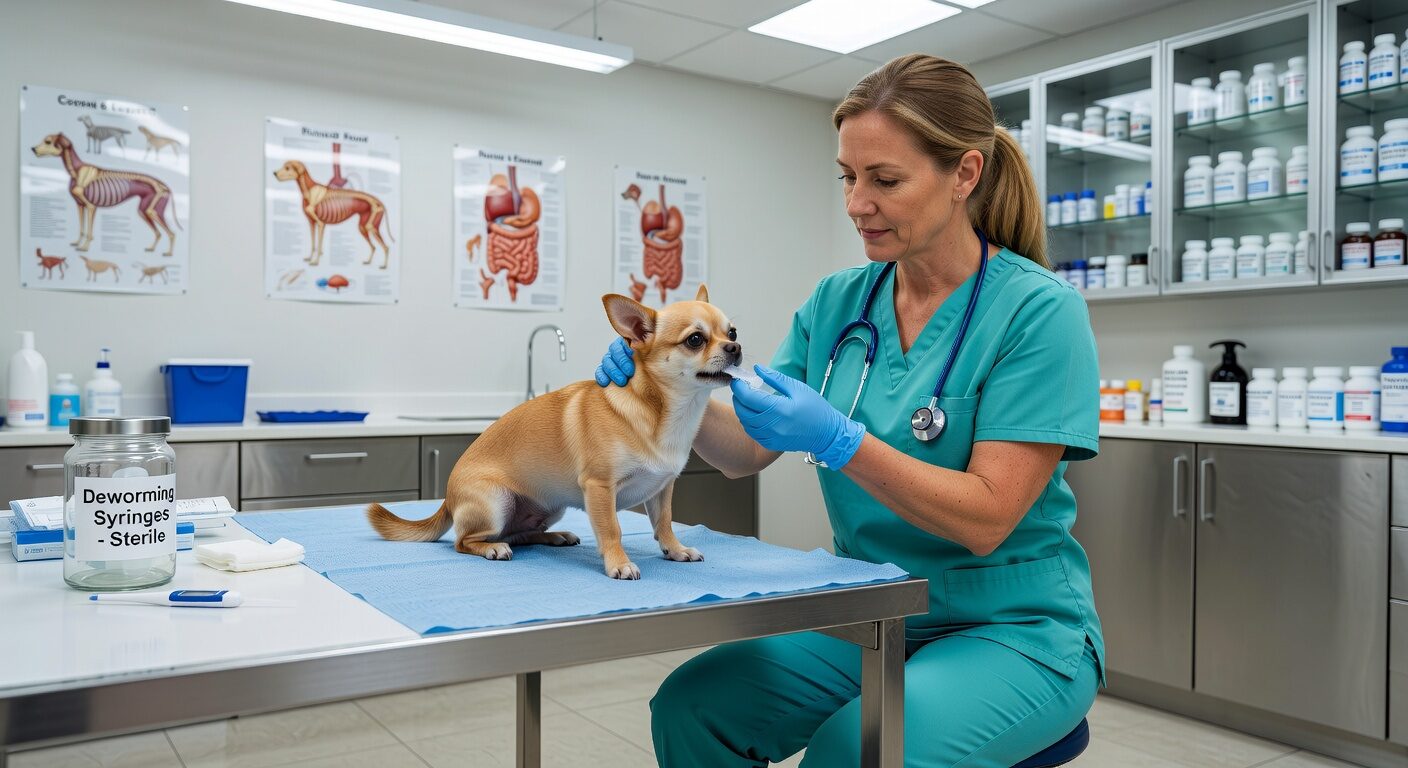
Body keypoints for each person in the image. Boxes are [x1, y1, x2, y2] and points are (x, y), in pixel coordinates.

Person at [596, 54, 1103, 767]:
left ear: (965, 175)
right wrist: (667, 387)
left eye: (884, 180)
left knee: (856, 746)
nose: (856, 202)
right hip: (870, 609)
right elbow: (745, 450)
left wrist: (841, 440)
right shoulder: (838, 304)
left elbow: (988, 517)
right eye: (848, 176)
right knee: (695, 703)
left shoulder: (1039, 312)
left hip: (1011, 627)